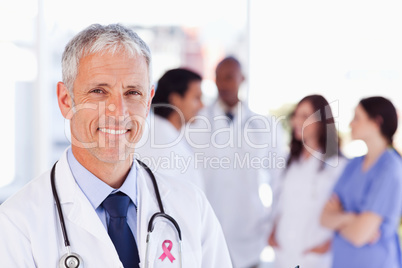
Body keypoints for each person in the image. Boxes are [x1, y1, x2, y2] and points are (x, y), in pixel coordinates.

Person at [0, 24, 232, 267]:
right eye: (99, 91)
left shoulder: (192, 207)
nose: (118, 112)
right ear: (66, 100)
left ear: (148, 100)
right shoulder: (17, 224)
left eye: (132, 92)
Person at [190, 56, 286, 268]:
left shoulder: (265, 126)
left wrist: (273, 221)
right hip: (206, 228)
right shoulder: (195, 122)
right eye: (218, 78)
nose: (223, 84)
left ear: (242, 78)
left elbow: (278, 179)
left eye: (229, 77)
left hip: (249, 230)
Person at [321, 96, 402, 268]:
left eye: (357, 118)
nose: (351, 124)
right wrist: (352, 218)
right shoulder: (353, 165)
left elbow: (359, 236)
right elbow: (324, 218)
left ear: (376, 122)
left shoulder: (390, 169)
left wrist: (340, 219)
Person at [268, 95, 347, 268]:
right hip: (283, 253)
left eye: (305, 116)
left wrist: (330, 243)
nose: (297, 121)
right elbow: (279, 202)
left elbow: (344, 211)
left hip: (315, 255)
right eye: (296, 115)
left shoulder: (338, 165)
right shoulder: (288, 160)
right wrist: (272, 231)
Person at [135, 68, 205, 190]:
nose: (201, 105)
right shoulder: (164, 147)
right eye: (196, 98)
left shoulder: (167, 138)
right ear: (176, 99)